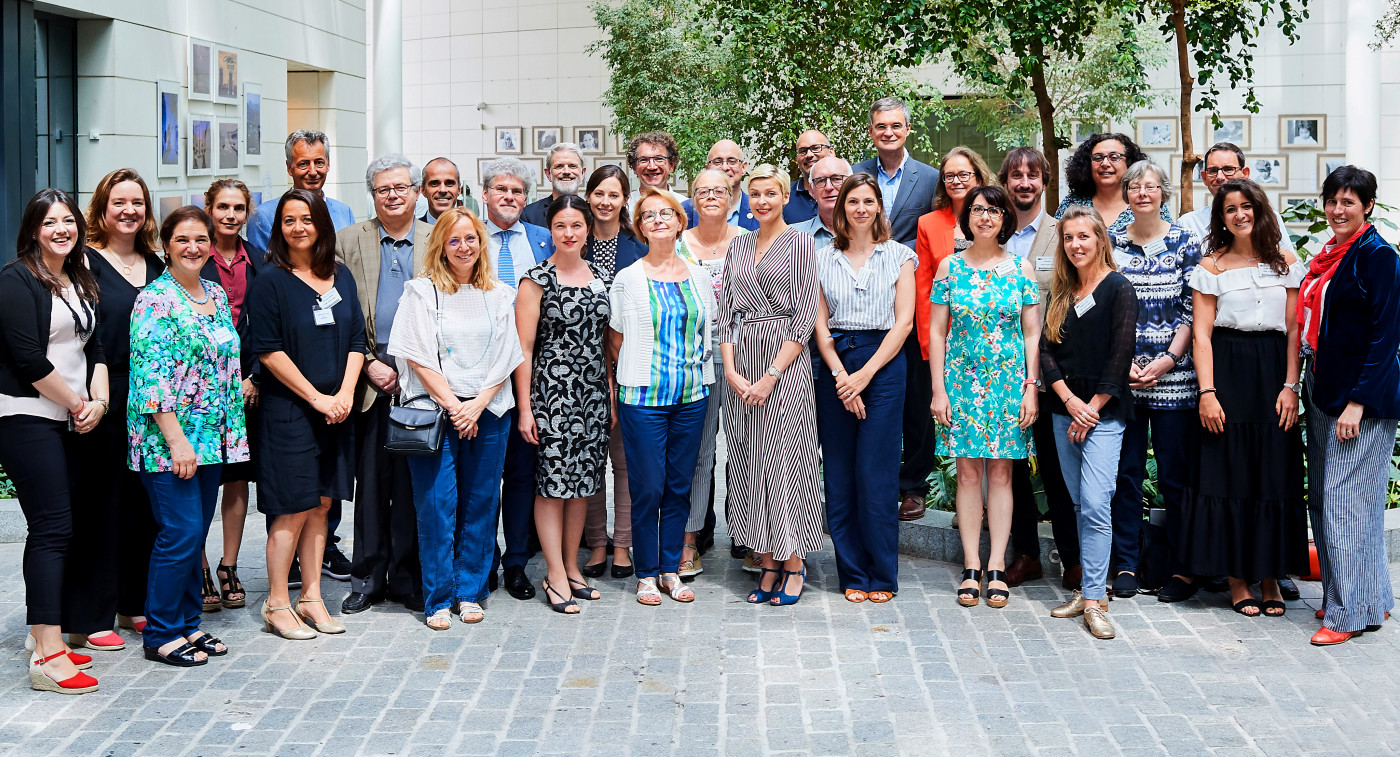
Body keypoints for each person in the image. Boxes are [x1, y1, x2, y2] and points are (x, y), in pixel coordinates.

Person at [387, 207, 523, 629]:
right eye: (454, 240)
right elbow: (416, 354)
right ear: (441, 246)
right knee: (436, 507)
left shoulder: (500, 293)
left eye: (470, 238)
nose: (463, 247)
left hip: (488, 410)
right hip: (435, 412)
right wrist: (455, 406)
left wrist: (477, 404)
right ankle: (438, 598)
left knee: (481, 503)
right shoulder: (420, 291)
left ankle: (470, 592)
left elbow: (507, 355)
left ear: (481, 243)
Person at [1178, 179, 1305, 616]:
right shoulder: (1210, 266)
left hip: (1273, 375)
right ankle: (1236, 579)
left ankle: (1269, 577)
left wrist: (1292, 387)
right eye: (1230, 208)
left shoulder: (1286, 262)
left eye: (1246, 206)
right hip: (1227, 373)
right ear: (1221, 217)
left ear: (1260, 209)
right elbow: (1201, 335)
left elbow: (1294, 330)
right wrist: (1207, 393)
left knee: (1271, 475)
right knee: (1228, 475)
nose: (1239, 214)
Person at [128, 206, 247, 666]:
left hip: (211, 437)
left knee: (195, 534)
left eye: (201, 239)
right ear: (166, 246)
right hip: (170, 442)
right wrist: (178, 440)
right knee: (179, 534)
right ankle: (160, 633)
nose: (194, 247)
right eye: (182, 240)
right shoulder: (154, 299)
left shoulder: (215, 294)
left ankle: (189, 625)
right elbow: (150, 376)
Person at [0, 189, 107, 693]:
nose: (61, 229)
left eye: (68, 221)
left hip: (73, 416)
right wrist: (75, 403)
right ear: (33, 229)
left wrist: (98, 404)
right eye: (50, 222)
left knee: (66, 527)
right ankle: (46, 654)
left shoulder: (78, 277)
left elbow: (98, 347)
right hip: (27, 416)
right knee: (51, 528)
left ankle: (43, 633)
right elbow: (28, 359)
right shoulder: (16, 278)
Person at [247, 188, 364, 640]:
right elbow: (268, 351)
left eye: (307, 219)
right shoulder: (270, 281)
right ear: (279, 228)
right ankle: (277, 603)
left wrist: (346, 393)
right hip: (291, 412)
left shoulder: (340, 275)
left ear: (321, 224)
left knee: (322, 504)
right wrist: (317, 398)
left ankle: (311, 597)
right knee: (291, 508)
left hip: (337, 410)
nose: (298, 227)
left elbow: (357, 339)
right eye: (289, 220)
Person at [1299, 166, 1400, 646]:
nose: (1338, 210)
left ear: (1368, 207)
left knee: (1345, 506)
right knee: (1325, 498)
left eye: (1349, 202)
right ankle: (1366, 596)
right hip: (1323, 388)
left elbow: (1384, 339)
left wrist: (1358, 402)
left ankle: (1346, 616)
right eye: (1332, 201)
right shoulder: (1332, 255)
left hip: (1360, 398)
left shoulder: (1378, 256)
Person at [928, 185, 1041, 609]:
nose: (985, 217)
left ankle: (997, 565)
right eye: (978, 210)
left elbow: (1032, 334)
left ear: (1004, 218)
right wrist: (938, 388)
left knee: (1002, 475)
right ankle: (971, 565)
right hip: (960, 383)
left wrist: (1031, 388)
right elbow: (938, 331)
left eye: (994, 210)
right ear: (968, 218)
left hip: (1009, 384)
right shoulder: (949, 269)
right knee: (969, 473)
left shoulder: (1021, 270)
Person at [718, 164, 822, 606]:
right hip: (741, 367)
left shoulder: (800, 242)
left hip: (784, 367)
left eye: (770, 193)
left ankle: (794, 563)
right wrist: (731, 370)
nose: (761, 201)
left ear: (784, 196)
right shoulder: (737, 246)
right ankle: (767, 561)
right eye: (755, 194)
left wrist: (771, 375)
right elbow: (724, 314)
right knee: (749, 463)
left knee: (786, 464)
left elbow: (803, 317)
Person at [813, 174, 916, 603]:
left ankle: (881, 574)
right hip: (835, 364)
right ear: (842, 209)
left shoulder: (900, 257)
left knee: (876, 474)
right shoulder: (818, 257)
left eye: (868, 201)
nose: (860, 208)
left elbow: (905, 322)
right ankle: (852, 573)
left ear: (878, 207)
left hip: (884, 365)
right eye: (852, 201)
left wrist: (865, 375)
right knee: (839, 474)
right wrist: (841, 375)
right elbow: (818, 323)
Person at [611, 188, 716, 605]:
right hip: (644, 398)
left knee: (678, 486)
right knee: (649, 487)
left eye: (666, 213)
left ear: (679, 221)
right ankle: (647, 573)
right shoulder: (628, 278)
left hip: (691, 395)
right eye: (649, 215)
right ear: (640, 226)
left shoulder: (700, 276)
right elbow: (616, 339)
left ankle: (671, 570)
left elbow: (709, 330)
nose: (658, 220)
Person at [336, 155, 428, 615]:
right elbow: (336, 310)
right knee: (371, 484)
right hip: (369, 374)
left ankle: (409, 578)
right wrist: (371, 362)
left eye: (400, 187)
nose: (392, 195)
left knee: (414, 484)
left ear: (417, 191)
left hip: (424, 375)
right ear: (372, 195)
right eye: (382, 189)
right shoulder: (350, 239)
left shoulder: (438, 236)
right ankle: (368, 578)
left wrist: (417, 367)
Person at [1107, 160, 1203, 598]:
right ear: (1125, 193)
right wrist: (1122, 361)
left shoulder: (1185, 241)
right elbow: (1103, 306)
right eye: (1134, 186)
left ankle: (1182, 568)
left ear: (1163, 192)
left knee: (1175, 476)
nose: (1142, 192)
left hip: (1176, 379)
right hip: (1123, 380)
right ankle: (1126, 564)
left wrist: (1167, 359)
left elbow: (1192, 308)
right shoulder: (1110, 243)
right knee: (1125, 475)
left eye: (1150, 186)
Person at [1042, 206, 1139, 640]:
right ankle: (1087, 588)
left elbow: (1120, 357)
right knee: (1080, 504)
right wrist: (1067, 399)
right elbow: (1045, 351)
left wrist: (1092, 407)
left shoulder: (1119, 288)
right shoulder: (1062, 291)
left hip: (1103, 416)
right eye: (1068, 238)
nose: (1076, 245)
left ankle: (1097, 602)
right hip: (1064, 412)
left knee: (1098, 503)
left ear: (1101, 239)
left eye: (1084, 236)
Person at [514, 195, 613, 614]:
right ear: (549, 231)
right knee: (553, 487)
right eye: (560, 226)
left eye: (576, 226)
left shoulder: (603, 277)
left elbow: (608, 343)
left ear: (588, 229)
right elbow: (523, 347)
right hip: (551, 395)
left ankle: (573, 568)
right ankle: (554, 574)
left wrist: (608, 391)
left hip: (592, 397)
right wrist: (524, 408)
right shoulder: (536, 280)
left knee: (582, 489)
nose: (569, 233)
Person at [84, 168, 165, 648]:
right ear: (102, 208)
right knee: (102, 505)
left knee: (142, 505)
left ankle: (132, 602)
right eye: (119, 202)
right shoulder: (85, 263)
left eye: (137, 202)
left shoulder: (157, 264)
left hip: (153, 399)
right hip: (106, 392)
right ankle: (94, 613)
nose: (129, 210)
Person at [998, 148, 1078, 590]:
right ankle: (1025, 554)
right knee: (1009, 467)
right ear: (1005, 182)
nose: (1023, 183)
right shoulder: (988, 231)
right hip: (998, 372)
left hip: (1050, 372)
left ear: (1045, 182)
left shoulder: (1059, 233)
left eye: (1032, 175)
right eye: (1016, 176)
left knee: (1056, 467)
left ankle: (1073, 559)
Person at [909, 147, 995, 523]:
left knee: (991, 426)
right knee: (943, 422)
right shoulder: (929, 223)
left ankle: (989, 503)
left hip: (994, 343)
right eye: (950, 176)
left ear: (978, 176)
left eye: (964, 174)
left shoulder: (996, 215)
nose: (957, 181)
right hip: (949, 342)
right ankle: (950, 498)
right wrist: (931, 345)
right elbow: (924, 285)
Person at [481, 158, 554, 602]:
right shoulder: (468, 235)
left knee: (523, 474)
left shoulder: (543, 239)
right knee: (485, 474)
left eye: (517, 192)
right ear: (485, 193)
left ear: (526, 199)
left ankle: (516, 562)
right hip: (484, 370)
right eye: (501, 190)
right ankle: (484, 556)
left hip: (533, 371)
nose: (509, 197)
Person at [198, 179, 265, 612]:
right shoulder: (190, 256)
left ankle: (229, 565)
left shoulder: (259, 260)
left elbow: (266, 324)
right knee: (202, 476)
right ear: (209, 207)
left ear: (247, 213)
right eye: (222, 206)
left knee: (236, 478)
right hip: (200, 386)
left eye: (238, 208)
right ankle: (198, 568)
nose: (230, 215)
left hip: (245, 386)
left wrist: (255, 376)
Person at [674, 169, 744, 578]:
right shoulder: (680, 244)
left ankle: (756, 538)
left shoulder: (748, 241)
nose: (711, 196)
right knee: (699, 455)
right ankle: (689, 542)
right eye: (703, 191)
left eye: (719, 190)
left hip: (743, 359)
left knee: (747, 453)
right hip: (693, 361)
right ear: (692, 198)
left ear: (732, 196)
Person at [580, 164, 646, 579]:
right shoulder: (573, 241)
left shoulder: (638, 247)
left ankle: (623, 545)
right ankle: (596, 544)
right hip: (581, 369)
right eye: (599, 193)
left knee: (624, 463)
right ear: (589, 196)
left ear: (625, 201)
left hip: (627, 364)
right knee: (589, 460)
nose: (605, 201)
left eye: (614, 195)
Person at [852, 97, 939, 250]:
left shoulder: (931, 179)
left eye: (896, 126)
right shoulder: (853, 174)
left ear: (908, 129)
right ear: (871, 131)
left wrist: (896, 252)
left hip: (912, 268)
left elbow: (935, 231)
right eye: (881, 126)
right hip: (862, 264)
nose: (888, 133)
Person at [246, 130, 356, 248]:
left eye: (319, 162)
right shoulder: (263, 216)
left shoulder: (344, 213)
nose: (313, 172)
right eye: (303, 164)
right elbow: (262, 265)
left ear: (328, 165)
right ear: (289, 168)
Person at [1176, 143, 1287, 245]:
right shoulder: (1189, 224)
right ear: (1204, 178)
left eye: (1228, 169)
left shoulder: (1268, 217)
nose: (1220, 177)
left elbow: (1288, 262)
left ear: (1245, 174)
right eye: (1213, 170)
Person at [1056, 133, 1169, 232]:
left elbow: (1169, 240)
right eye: (1098, 158)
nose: (1105, 163)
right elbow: (1054, 243)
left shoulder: (1149, 202)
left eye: (1114, 157)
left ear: (1129, 163)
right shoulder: (1071, 203)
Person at [683, 140, 757, 231]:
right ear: (707, 168)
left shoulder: (759, 209)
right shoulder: (684, 211)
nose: (725, 167)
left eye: (732, 161)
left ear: (744, 167)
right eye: (717, 162)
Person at [791, 156, 852, 249]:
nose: (828, 187)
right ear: (812, 190)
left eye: (836, 179)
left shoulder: (872, 234)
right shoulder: (791, 237)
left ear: (852, 184)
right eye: (820, 181)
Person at [522, 143, 586, 227]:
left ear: (582, 173)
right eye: (559, 166)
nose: (566, 171)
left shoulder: (593, 212)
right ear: (548, 174)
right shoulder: (529, 214)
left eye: (572, 166)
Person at [625, 132, 688, 207]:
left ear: (671, 165)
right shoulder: (624, 207)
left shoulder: (685, 206)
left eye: (659, 159)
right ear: (634, 167)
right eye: (644, 160)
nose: (652, 167)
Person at [784, 129, 832, 224]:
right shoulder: (785, 197)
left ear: (831, 152)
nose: (809, 155)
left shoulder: (846, 192)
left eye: (816, 148)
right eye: (803, 151)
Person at [420, 157, 479, 223]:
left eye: (449, 183)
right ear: (423, 190)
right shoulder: (412, 231)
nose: (442, 190)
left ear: (459, 189)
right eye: (435, 183)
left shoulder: (473, 231)